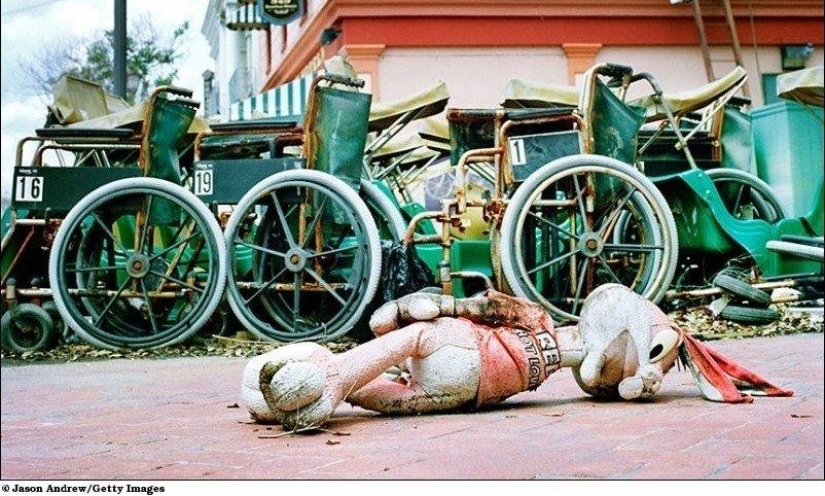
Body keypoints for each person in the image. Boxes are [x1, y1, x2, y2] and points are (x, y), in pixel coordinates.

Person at [241, 284, 791, 431]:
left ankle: (327, 377)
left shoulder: (550, 328)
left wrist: (445, 305)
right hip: (475, 391)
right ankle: (309, 391)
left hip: (465, 358)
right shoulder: (577, 365)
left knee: (397, 343)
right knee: (389, 390)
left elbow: (401, 325)